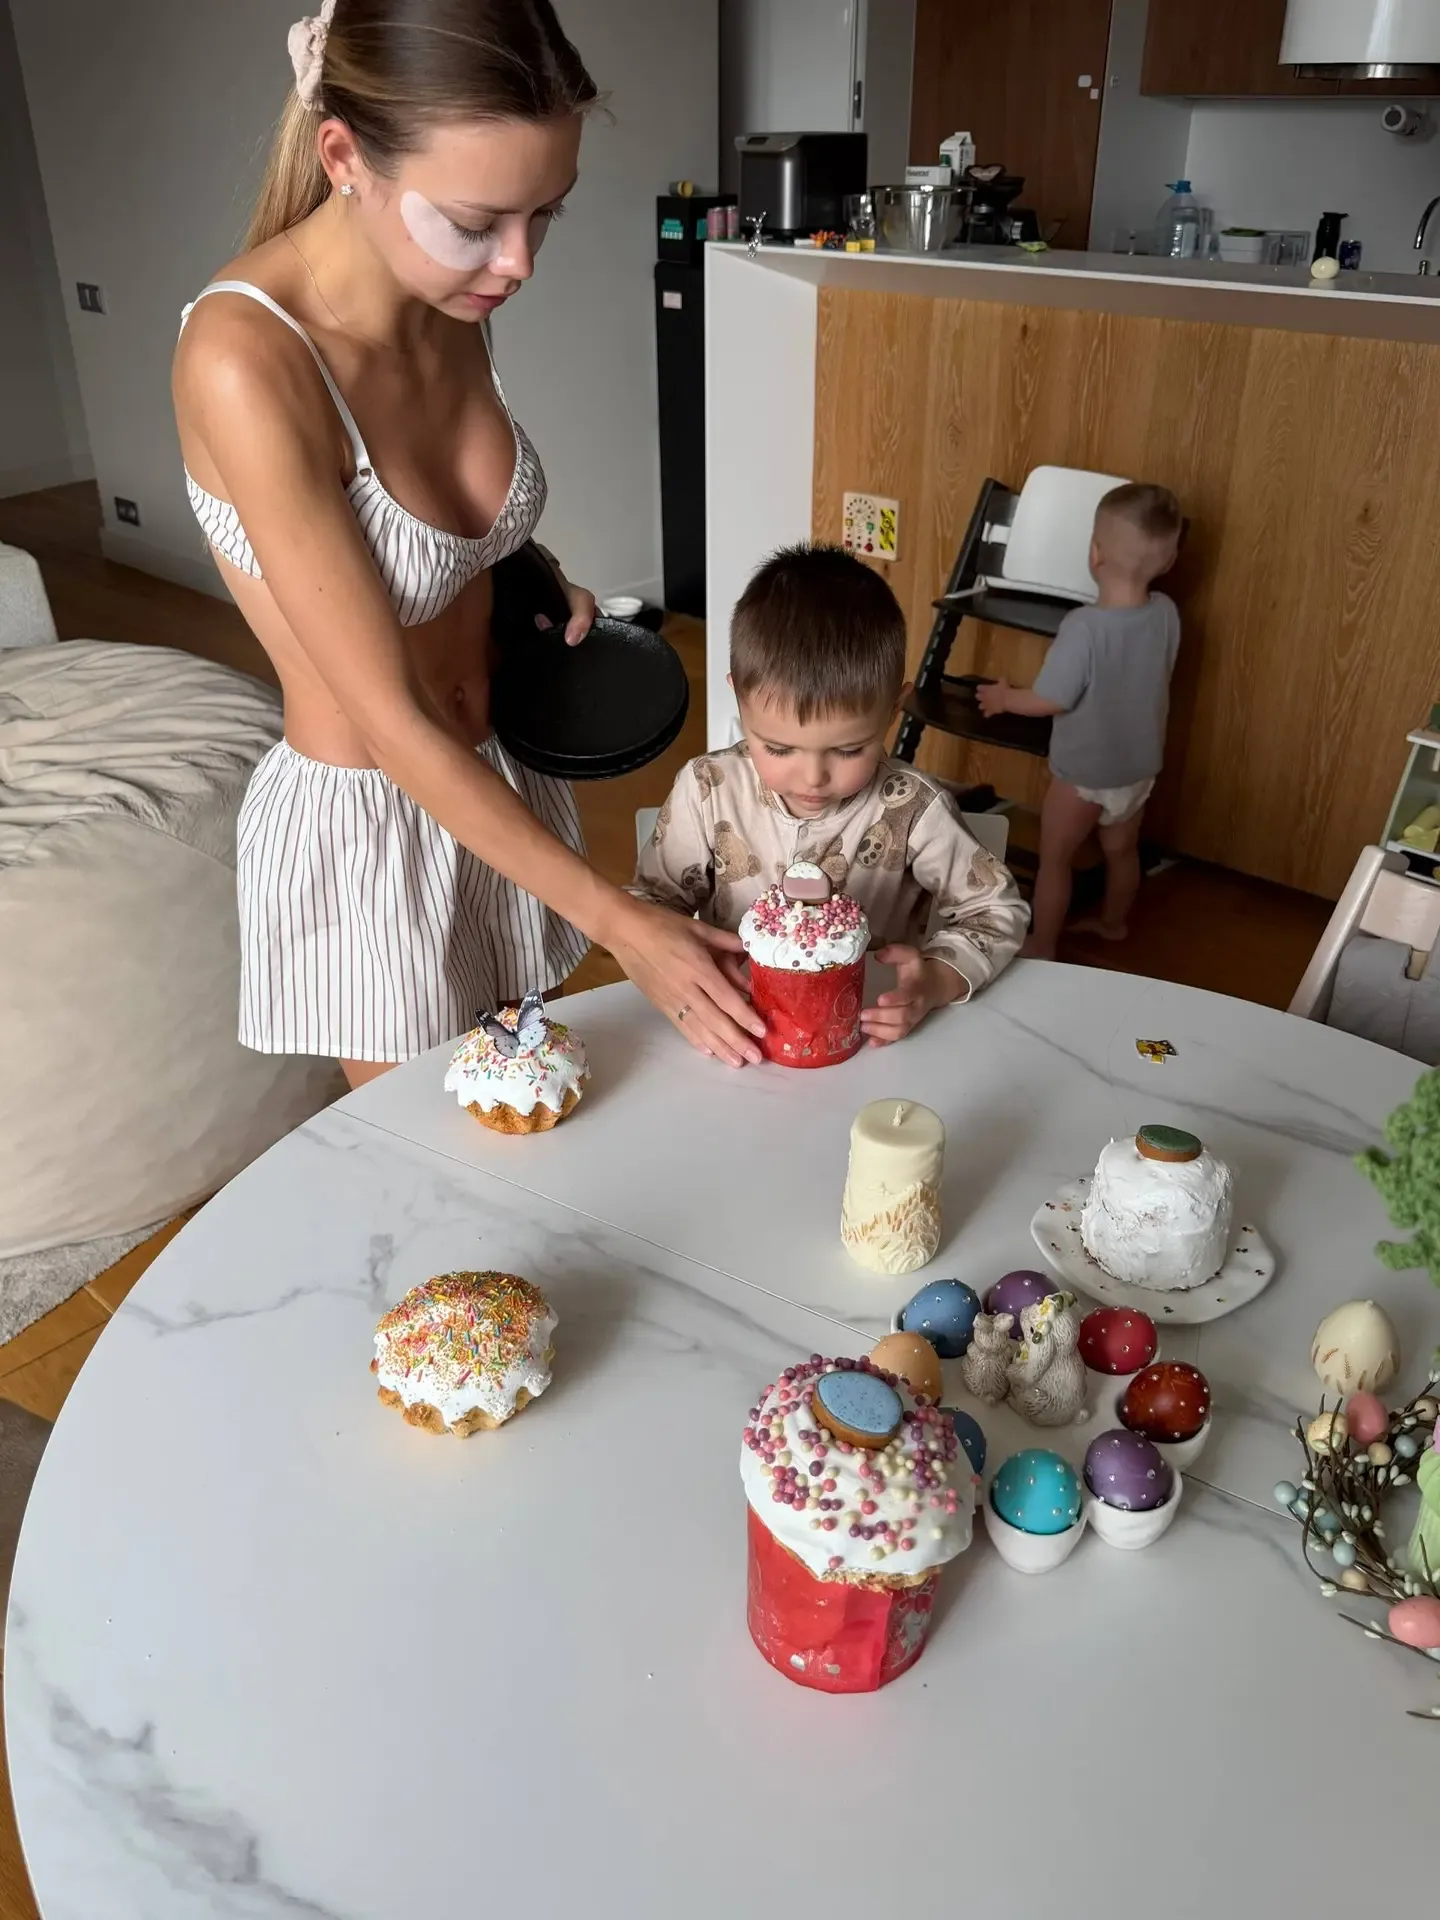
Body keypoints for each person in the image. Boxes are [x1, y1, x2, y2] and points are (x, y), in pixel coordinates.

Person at [172, 0, 764, 1088]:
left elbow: (426, 524)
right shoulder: (245, 358)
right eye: (478, 220)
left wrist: (529, 572)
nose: (519, 261)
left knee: (536, 1117)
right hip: (375, 834)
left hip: (498, 785)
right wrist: (624, 922)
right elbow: (388, 717)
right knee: (437, 1165)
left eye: (547, 213)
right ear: (343, 157)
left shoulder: (446, 296)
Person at [632, 545, 1027, 1046]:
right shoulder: (709, 790)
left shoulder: (913, 809)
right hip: (737, 1032)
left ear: (894, 710)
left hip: (865, 1037)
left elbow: (996, 911)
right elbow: (647, 907)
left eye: (848, 749)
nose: (813, 778)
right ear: (740, 697)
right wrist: (693, 960)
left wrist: (935, 981)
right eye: (779, 748)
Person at [977, 483, 1182, 960]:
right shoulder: (1167, 614)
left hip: (1083, 777)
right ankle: (1114, 924)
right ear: (1169, 561)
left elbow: (1051, 699)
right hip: (1137, 773)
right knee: (1121, 852)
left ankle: (1043, 943)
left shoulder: (1084, 628)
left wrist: (1005, 698)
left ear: (1095, 554)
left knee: (1055, 860)